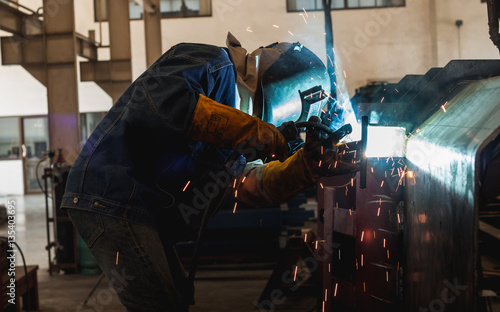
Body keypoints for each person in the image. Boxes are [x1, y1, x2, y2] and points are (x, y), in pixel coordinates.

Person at [61, 33, 358, 312]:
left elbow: (252, 187)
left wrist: (306, 167)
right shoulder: (209, 63)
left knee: (175, 298)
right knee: (159, 302)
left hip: (145, 212)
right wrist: (257, 133)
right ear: (290, 89)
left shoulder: (242, 131)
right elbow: (168, 105)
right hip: (111, 195)